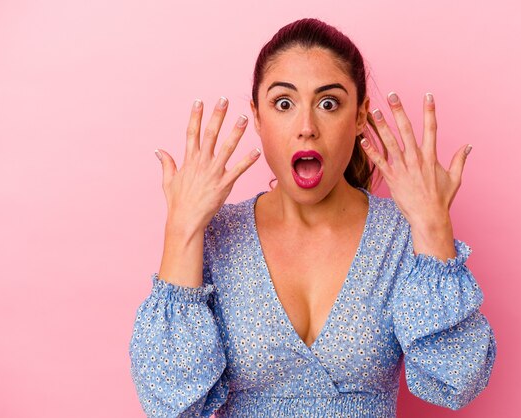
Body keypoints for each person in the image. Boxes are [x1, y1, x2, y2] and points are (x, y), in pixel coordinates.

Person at [128, 17, 497, 418]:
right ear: (257, 116)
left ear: (359, 117)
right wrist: (182, 229)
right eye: (284, 104)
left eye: (328, 103)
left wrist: (432, 226)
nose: (306, 128)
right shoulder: (215, 236)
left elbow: (457, 378)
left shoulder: (403, 235)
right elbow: (168, 402)